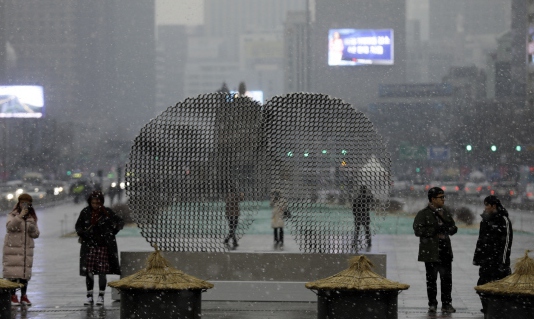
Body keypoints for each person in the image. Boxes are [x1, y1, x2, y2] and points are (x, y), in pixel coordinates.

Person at [413, 187, 458, 314]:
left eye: (444, 197)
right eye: (441, 197)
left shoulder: (445, 212)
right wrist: (434, 230)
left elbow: (453, 227)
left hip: (445, 251)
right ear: (433, 199)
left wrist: (448, 229)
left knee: (447, 280)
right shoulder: (423, 214)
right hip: (431, 252)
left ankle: (446, 304)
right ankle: (432, 304)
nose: (443, 199)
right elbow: (417, 230)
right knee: (431, 280)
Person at [76, 191, 124, 306]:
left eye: (98, 203)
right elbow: (78, 226)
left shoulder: (106, 212)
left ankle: (101, 296)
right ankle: (89, 296)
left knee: (102, 272)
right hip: (89, 246)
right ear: (90, 202)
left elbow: (120, 222)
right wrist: (83, 233)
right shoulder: (85, 212)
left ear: (101, 202)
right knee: (89, 272)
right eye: (93, 203)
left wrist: (112, 233)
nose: (95, 205)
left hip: (103, 246)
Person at [473, 195, 513, 314]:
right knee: (482, 285)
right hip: (486, 260)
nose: (485, 208)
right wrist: (477, 257)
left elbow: (507, 242)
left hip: (498, 261)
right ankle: (487, 307)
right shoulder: (485, 220)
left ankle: (498, 309)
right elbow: (481, 240)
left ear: (493, 206)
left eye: (487, 205)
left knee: (499, 286)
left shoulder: (503, 220)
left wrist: (503, 262)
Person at [2, 193, 40, 306]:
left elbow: (36, 234)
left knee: (24, 273)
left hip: (25, 249)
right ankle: (13, 296)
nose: (25, 205)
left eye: (27, 204)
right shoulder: (12, 214)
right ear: (19, 203)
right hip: (13, 249)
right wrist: (20, 216)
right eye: (23, 203)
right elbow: (10, 227)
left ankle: (24, 296)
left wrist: (32, 227)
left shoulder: (31, 217)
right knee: (13, 273)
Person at [352, 185, 375, 249]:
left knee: (357, 230)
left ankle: (355, 242)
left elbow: (354, 209)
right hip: (365, 216)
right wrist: (370, 192)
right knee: (367, 230)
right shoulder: (367, 198)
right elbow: (373, 200)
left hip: (358, 217)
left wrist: (356, 215)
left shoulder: (357, 199)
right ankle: (369, 242)